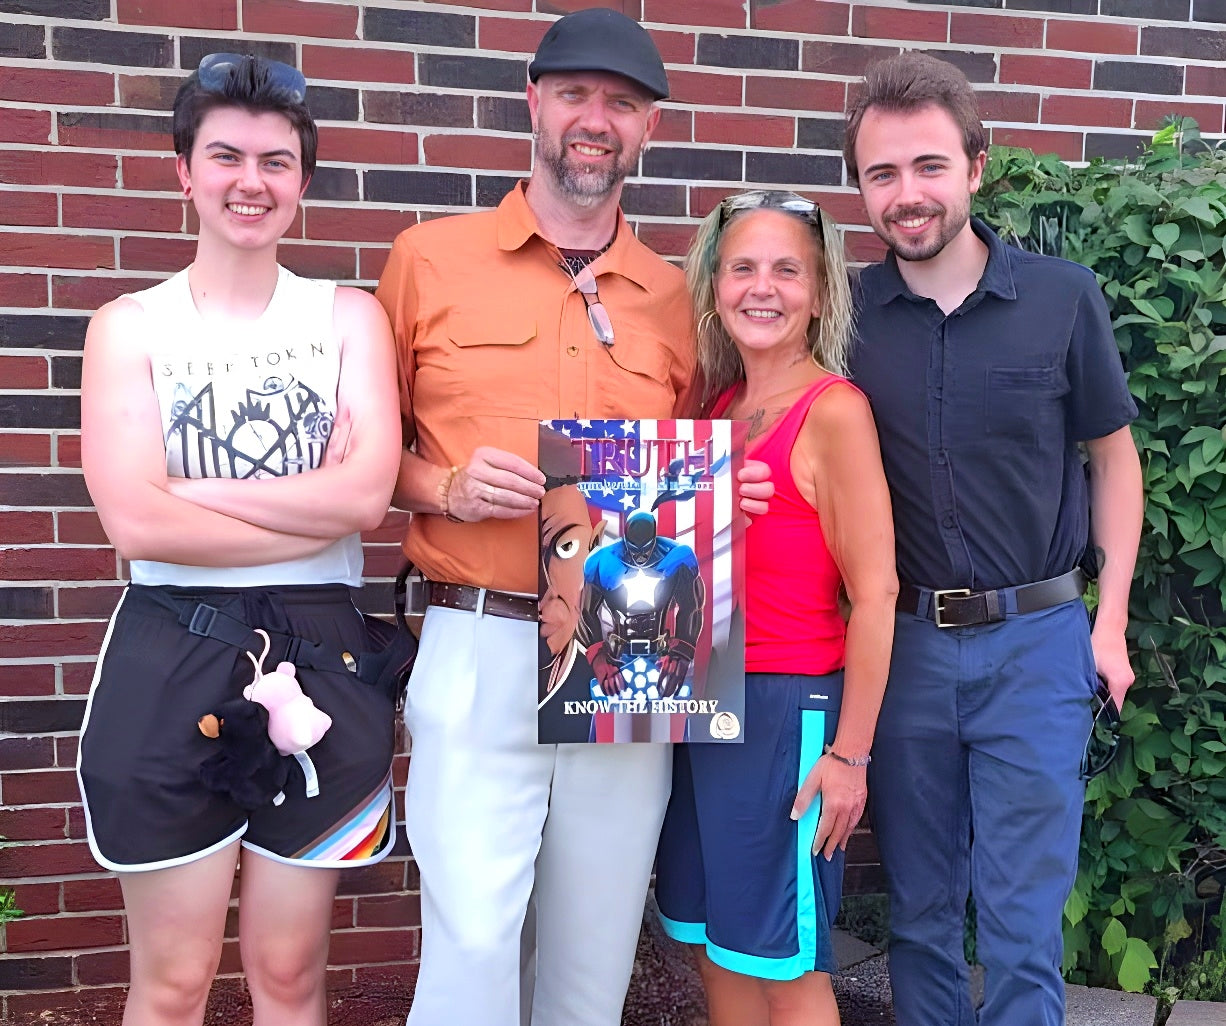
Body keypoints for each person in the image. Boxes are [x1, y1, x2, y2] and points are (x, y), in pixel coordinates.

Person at [374, 9, 769, 1025]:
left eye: (623, 104)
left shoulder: (682, 299)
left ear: (647, 130)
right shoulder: (426, 260)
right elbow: (366, 458)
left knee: (592, 960)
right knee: (468, 947)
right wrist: (443, 488)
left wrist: (729, 498)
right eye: (577, 95)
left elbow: (687, 477)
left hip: (626, 650)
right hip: (478, 636)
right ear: (534, 103)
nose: (597, 119)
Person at [76, 53, 401, 1026]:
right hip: (170, 640)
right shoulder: (129, 328)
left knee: (290, 979)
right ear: (185, 172)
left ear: (301, 181)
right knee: (172, 988)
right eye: (225, 157)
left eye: (274, 161)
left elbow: (369, 497)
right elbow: (133, 526)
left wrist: (187, 488)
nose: (248, 182)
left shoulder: (347, 318)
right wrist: (313, 500)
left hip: (325, 650)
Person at [843, 52, 1144, 1026]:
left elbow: (1114, 459)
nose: (906, 195)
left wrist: (1111, 627)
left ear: (975, 166)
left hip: (1036, 644)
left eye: (927, 166)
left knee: (1020, 925)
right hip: (905, 653)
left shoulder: (1061, 300)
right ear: (859, 189)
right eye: (880, 174)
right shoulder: (842, 319)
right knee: (921, 916)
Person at [654, 190, 898, 1025]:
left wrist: (851, 756)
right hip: (703, 704)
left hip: (784, 708)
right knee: (719, 946)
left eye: (787, 270)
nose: (763, 288)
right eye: (743, 268)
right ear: (714, 286)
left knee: (789, 972)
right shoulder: (716, 411)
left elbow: (877, 593)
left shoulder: (834, 411)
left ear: (821, 292)